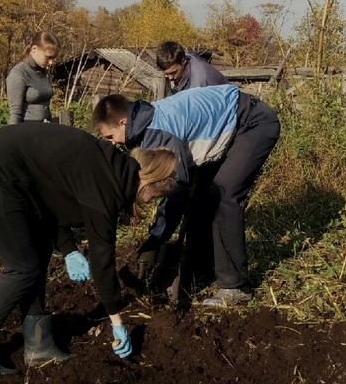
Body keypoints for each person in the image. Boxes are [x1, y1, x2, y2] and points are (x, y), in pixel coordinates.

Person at [0, 123, 177, 375]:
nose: (149, 202)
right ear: (148, 183)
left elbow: (50, 204)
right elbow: (102, 259)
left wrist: (69, 249)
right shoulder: (105, 185)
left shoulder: (110, 168)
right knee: (22, 267)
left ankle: (39, 344)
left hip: (12, 176)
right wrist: (116, 320)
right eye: (155, 196)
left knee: (38, 255)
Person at [91, 84, 280, 307]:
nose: (112, 143)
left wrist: (155, 240)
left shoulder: (158, 134)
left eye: (111, 136)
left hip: (252, 123)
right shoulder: (144, 123)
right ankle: (202, 265)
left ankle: (236, 287)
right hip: (232, 124)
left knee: (223, 197)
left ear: (123, 122)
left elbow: (177, 189)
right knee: (200, 197)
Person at [6, 30, 60, 124]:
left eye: (53, 58)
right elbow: (15, 113)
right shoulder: (19, 73)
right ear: (34, 49)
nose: (51, 62)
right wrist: (13, 137)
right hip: (27, 130)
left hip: (46, 128)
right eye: (48, 57)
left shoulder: (43, 72)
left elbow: (45, 107)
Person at [155, 40, 228, 93]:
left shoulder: (198, 83)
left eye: (174, 72)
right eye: (167, 74)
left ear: (183, 61)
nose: (170, 78)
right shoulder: (186, 58)